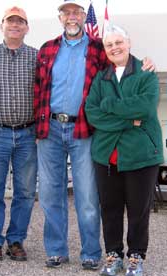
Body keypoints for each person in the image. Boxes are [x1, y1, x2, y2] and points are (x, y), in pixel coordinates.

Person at [34, 0, 155, 270]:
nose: (72, 17)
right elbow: (38, 87)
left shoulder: (99, 48)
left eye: (77, 12)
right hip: (50, 130)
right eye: (67, 13)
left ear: (83, 17)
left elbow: (122, 60)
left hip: (83, 129)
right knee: (51, 194)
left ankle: (91, 253)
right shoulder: (47, 49)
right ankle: (56, 250)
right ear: (60, 18)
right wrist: (37, 125)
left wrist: (146, 62)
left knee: (87, 196)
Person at [85, 24, 163, 276]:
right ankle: (113, 255)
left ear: (128, 43)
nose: (115, 48)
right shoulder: (101, 77)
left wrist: (110, 106)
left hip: (141, 155)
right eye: (109, 45)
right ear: (105, 50)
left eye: (119, 42)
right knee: (110, 209)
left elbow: (145, 107)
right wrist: (129, 120)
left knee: (138, 211)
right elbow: (93, 113)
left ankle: (136, 257)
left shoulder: (146, 73)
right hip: (106, 156)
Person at [0, 6, 38, 262]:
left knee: (25, 192)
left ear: (26, 27)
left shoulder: (38, 57)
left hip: (28, 134)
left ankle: (16, 240)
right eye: (10, 21)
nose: (15, 25)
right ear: (2, 25)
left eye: (20, 22)